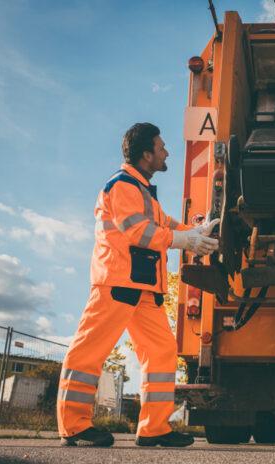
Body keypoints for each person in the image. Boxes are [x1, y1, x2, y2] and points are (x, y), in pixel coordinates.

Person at [57, 123, 220, 447]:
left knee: (161, 352)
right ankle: (74, 426)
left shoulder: (142, 192)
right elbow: (139, 232)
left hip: (143, 290)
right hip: (116, 285)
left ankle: (154, 428)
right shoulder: (121, 186)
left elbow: (167, 225)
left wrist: (197, 232)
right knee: (88, 353)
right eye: (161, 147)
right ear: (147, 154)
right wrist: (183, 240)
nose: (166, 152)